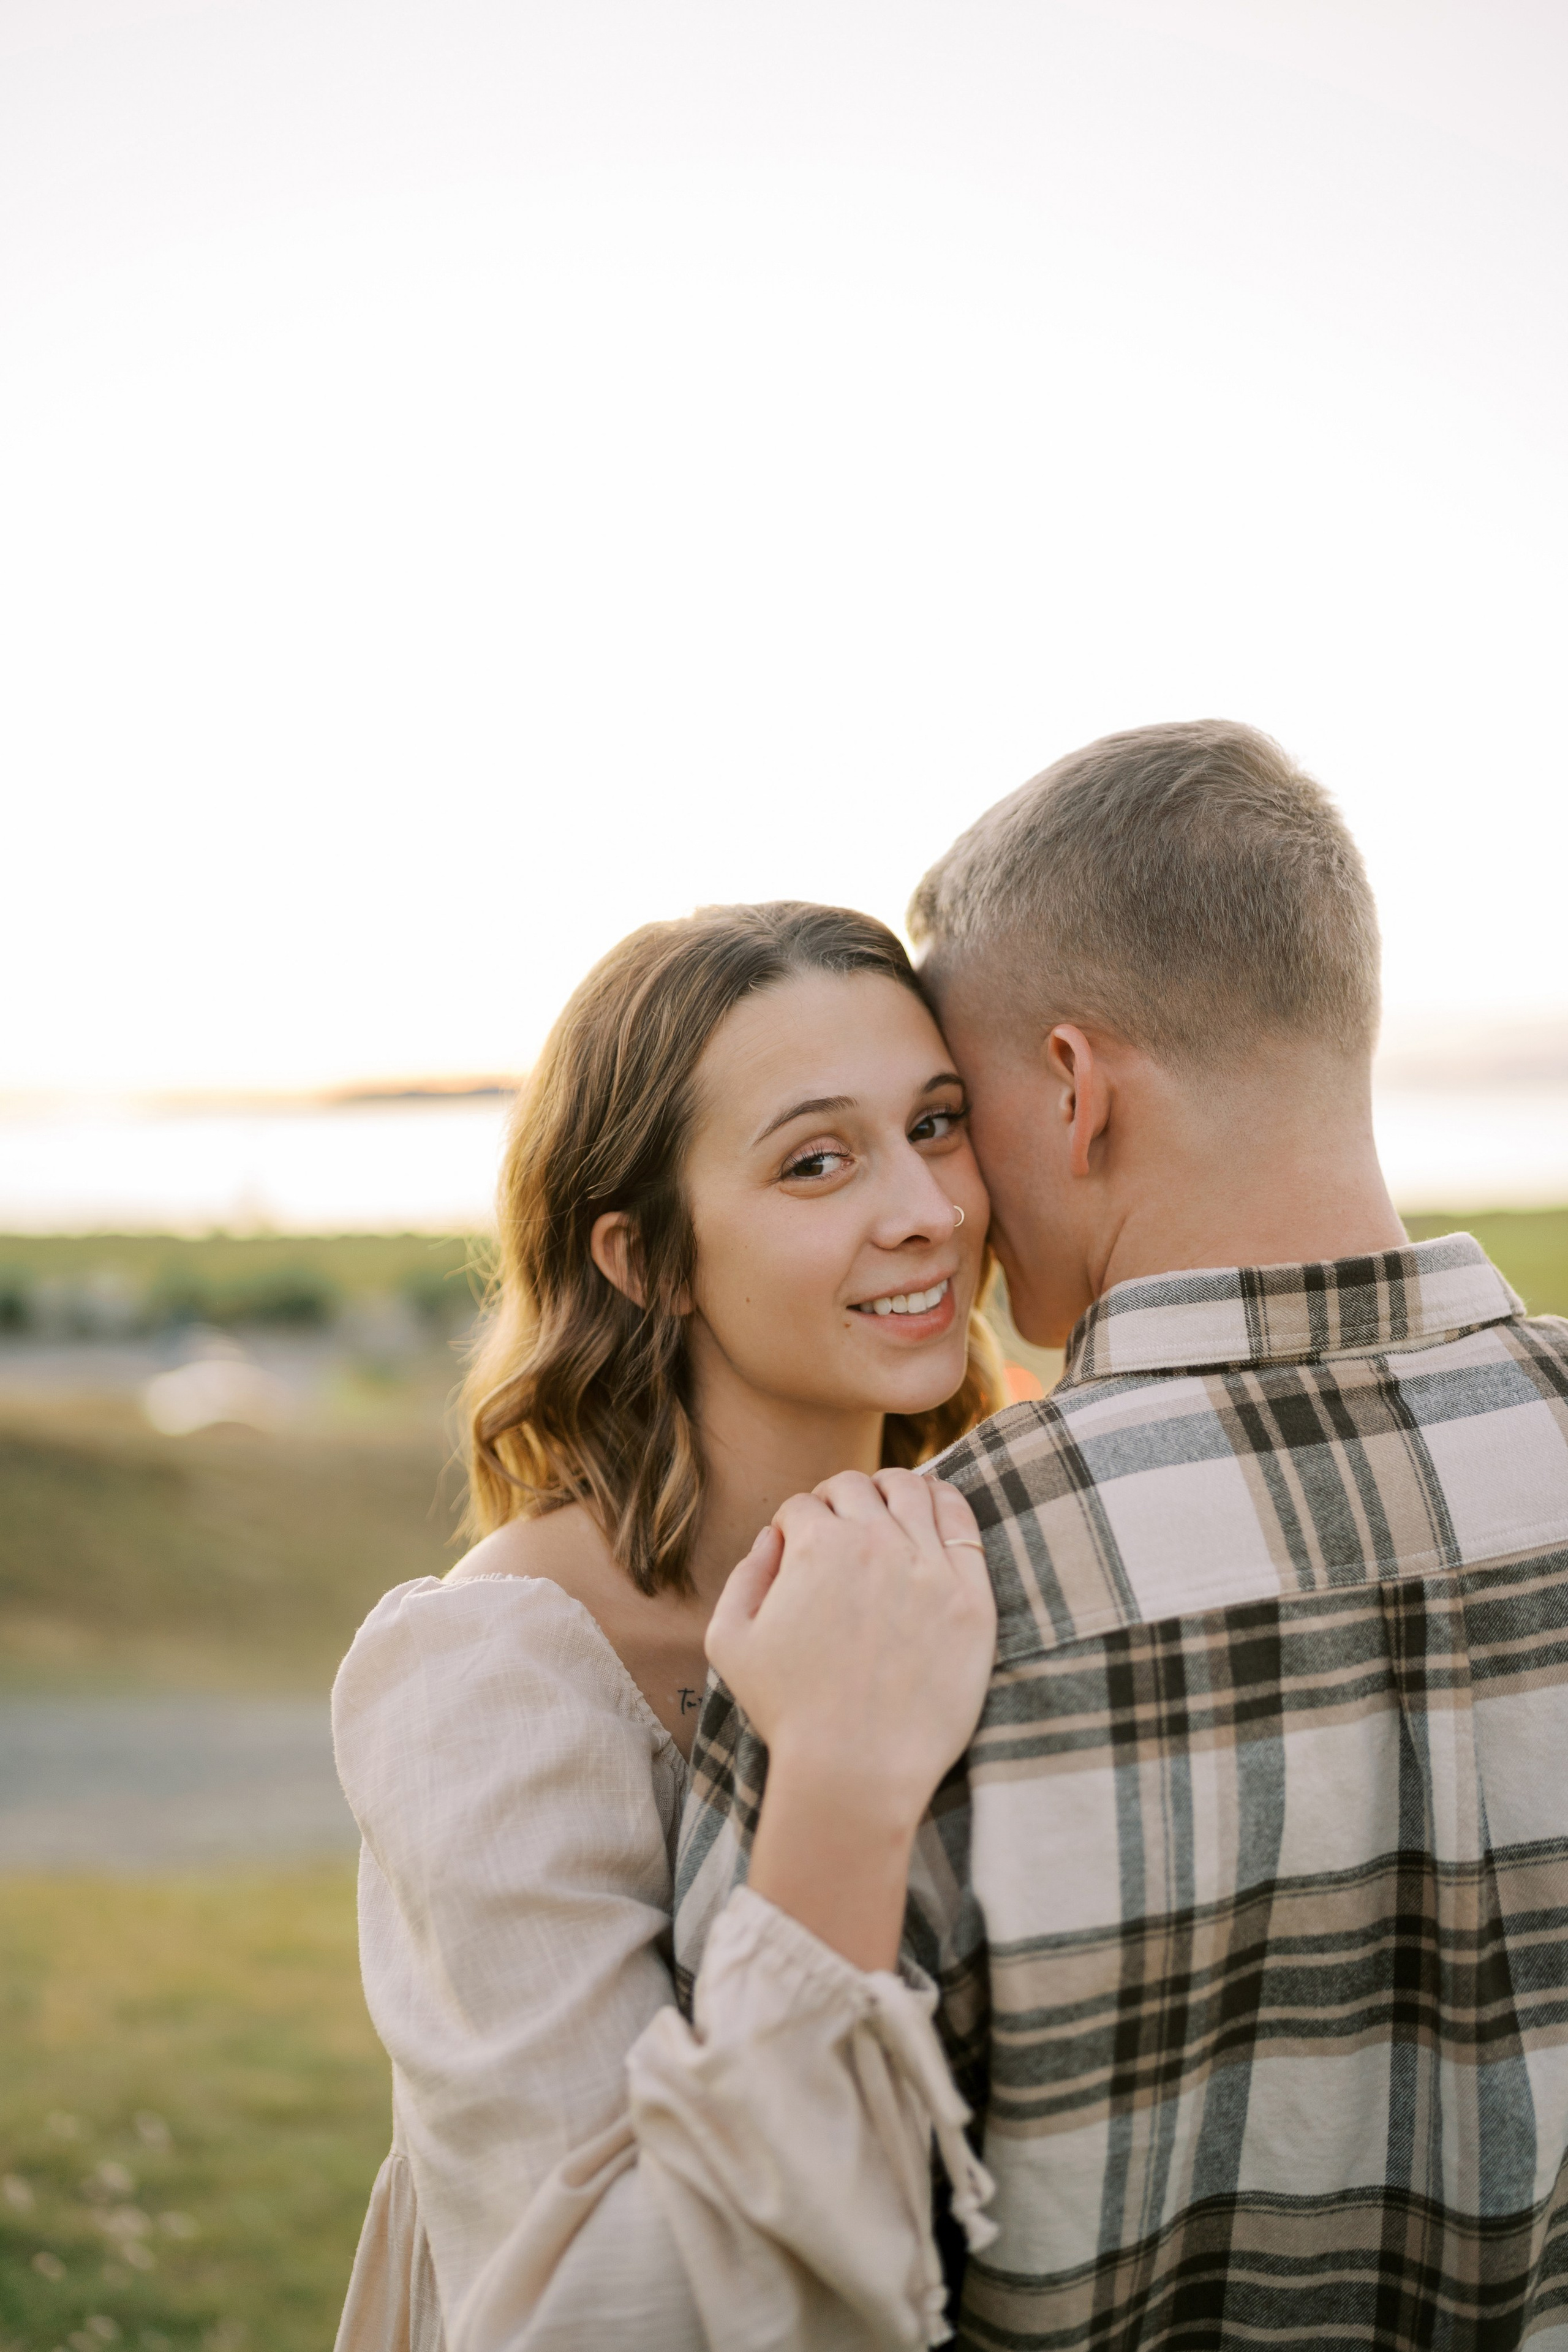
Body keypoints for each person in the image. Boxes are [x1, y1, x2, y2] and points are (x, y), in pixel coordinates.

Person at [676, 721, 1568, 2352]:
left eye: (956, 1113)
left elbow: (751, 2278)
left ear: (1074, 1091)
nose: (947, 1203)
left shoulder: (912, 1590)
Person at [331, 900, 1007, 2352]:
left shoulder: (971, 1543)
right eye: (817, 1160)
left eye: (937, 1124)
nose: (929, 1209)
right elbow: (601, 2309)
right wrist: (835, 1780)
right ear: (645, 1261)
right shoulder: (493, 1674)